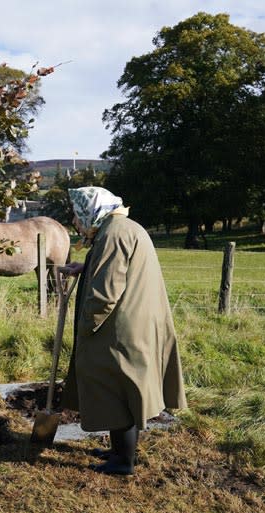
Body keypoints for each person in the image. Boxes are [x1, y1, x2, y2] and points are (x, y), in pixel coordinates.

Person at [61, 186, 186, 475]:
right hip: (135, 322)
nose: (78, 221)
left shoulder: (113, 234)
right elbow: (114, 268)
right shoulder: (120, 227)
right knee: (124, 389)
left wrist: (86, 326)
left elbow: (106, 292)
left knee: (116, 389)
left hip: (121, 329)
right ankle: (119, 450)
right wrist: (87, 265)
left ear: (92, 211)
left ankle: (122, 462)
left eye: (80, 215)